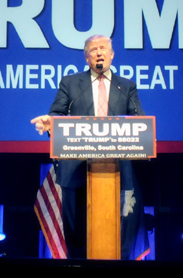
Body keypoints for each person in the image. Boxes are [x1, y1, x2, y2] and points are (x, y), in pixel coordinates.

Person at [31, 34, 145, 258]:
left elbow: (138, 119)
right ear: (86, 57)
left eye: (103, 48)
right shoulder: (71, 83)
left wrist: (145, 135)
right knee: (76, 234)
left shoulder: (126, 86)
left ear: (112, 55)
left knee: (120, 233)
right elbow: (57, 114)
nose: (99, 53)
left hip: (117, 170)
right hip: (76, 168)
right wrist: (51, 122)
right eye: (93, 50)